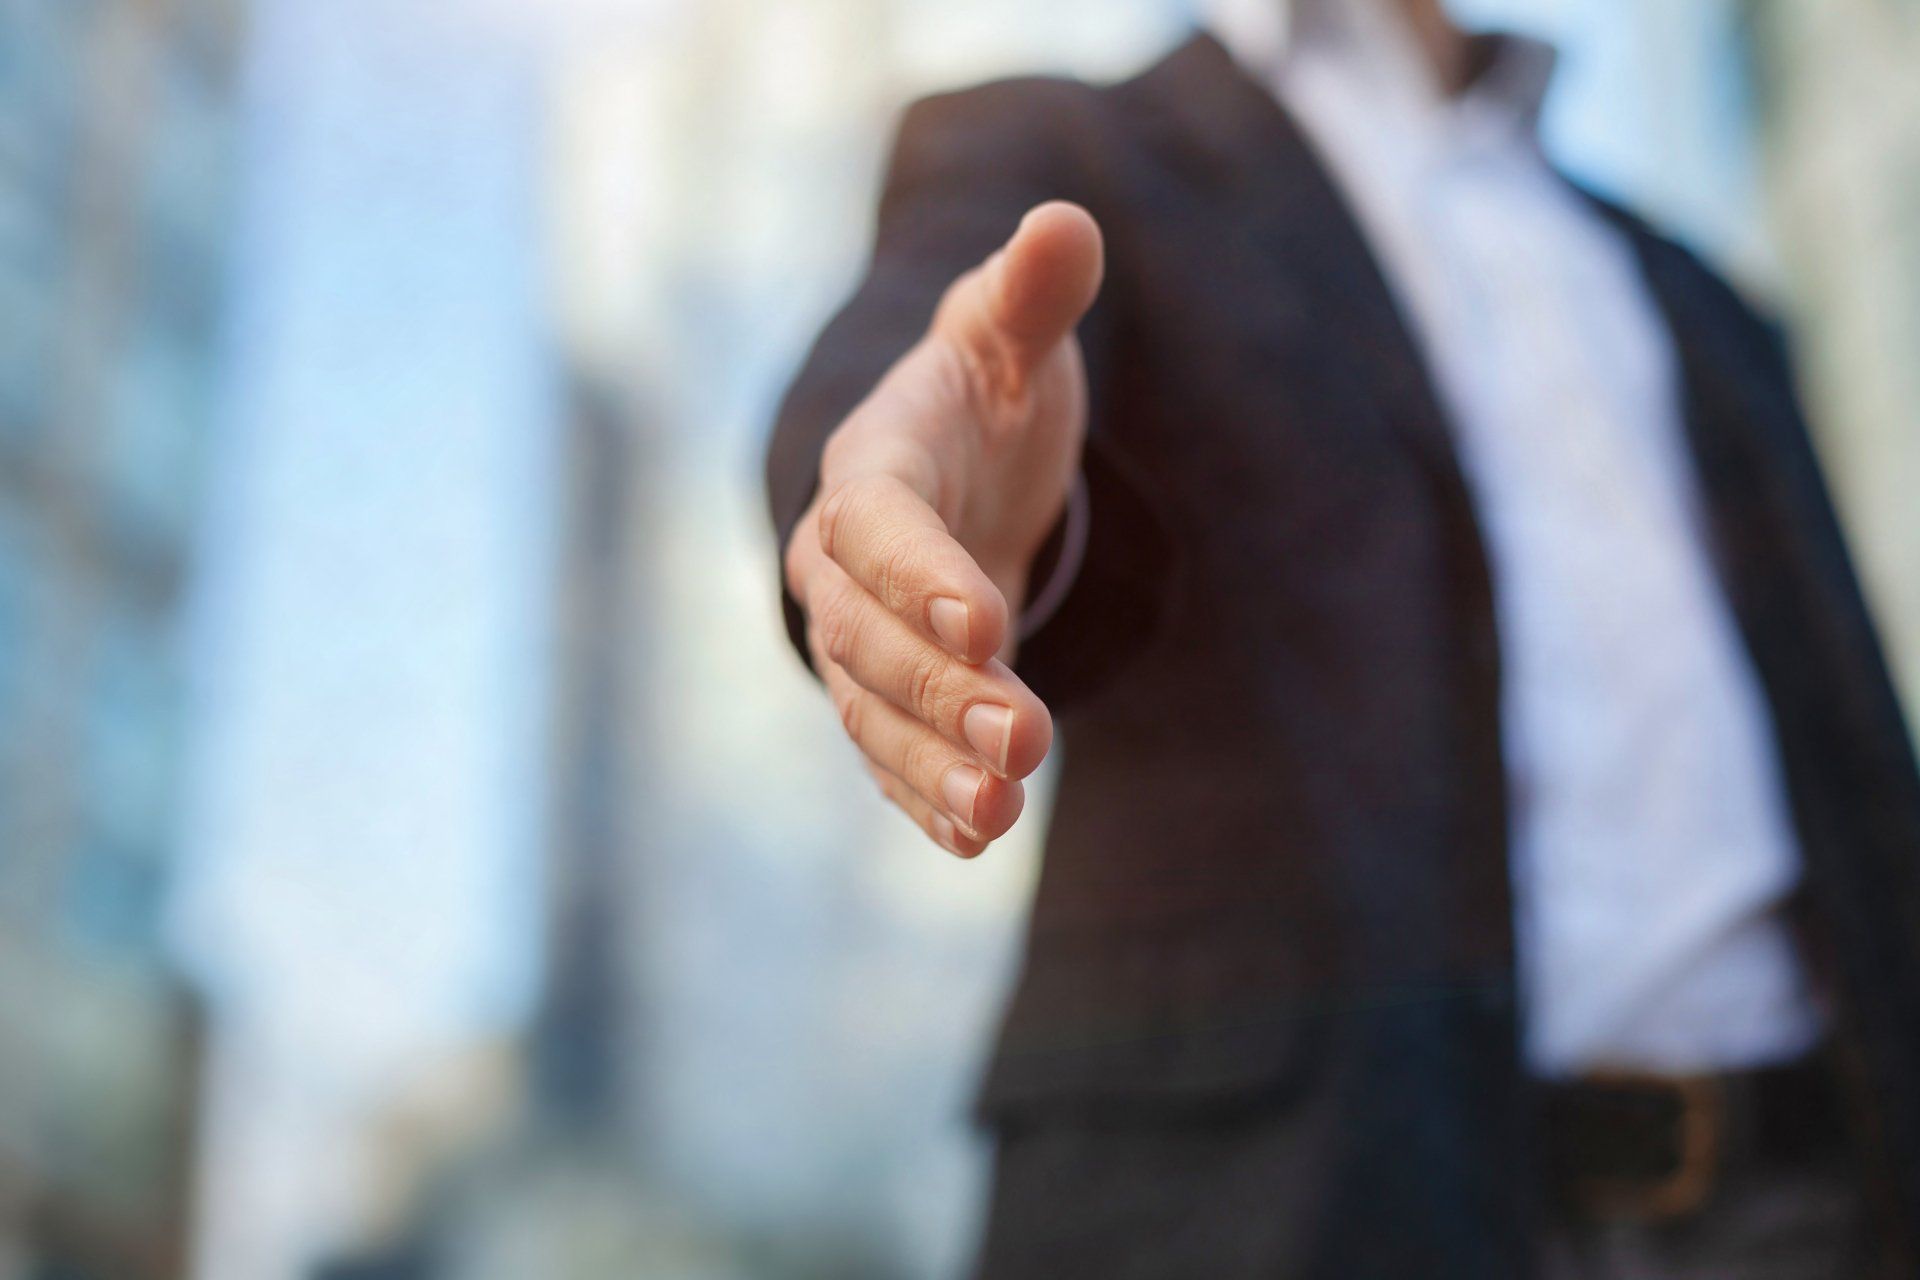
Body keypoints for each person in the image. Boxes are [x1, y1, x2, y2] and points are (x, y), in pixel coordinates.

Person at [763, 0, 1920, 1275]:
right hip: (1302, 1204)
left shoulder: (1691, 287)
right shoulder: (1071, 147)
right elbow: (926, 358)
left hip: (1813, 1196)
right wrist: (925, 501)